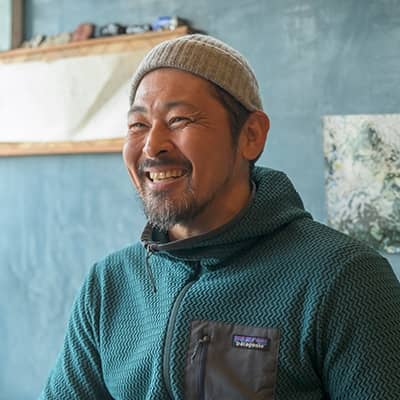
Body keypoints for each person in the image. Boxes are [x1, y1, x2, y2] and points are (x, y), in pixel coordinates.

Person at [39, 34, 400, 400]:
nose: (152, 145)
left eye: (179, 119)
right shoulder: (109, 285)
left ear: (251, 135)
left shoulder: (344, 278)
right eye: (138, 125)